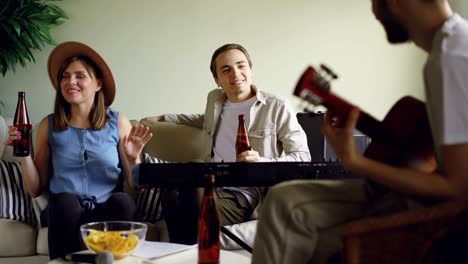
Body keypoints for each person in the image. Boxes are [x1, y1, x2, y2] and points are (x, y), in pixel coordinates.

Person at [251, 0, 468, 263]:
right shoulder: (452, 46)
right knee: (289, 204)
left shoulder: (450, 58)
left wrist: (356, 161)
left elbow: (457, 187)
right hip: (424, 197)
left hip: (444, 214)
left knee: (286, 205)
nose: (374, 10)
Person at [143, 43, 311, 243]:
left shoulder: (277, 106)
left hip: (242, 196)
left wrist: (263, 162)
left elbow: (303, 157)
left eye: (241, 66)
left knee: (191, 186)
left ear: (251, 70)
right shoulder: (215, 100)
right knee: (172, 187)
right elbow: (203, 119)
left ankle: (186, 241)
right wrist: (165, 117)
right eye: (226, 69)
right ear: (217, 80)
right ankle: (187, 246)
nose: (235, 73)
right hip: (211, 185)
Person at [6, 41, 152, 260]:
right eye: (65, 76)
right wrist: (24, 153)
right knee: (64, 201)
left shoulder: (118, 122)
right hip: (64, 214)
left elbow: (136, 185)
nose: (70, 82)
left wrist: (133, 158)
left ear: (98, 84)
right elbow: (36, 189)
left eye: (80, 76)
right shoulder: (49, 125)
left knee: (122, 201)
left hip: (107, 214)